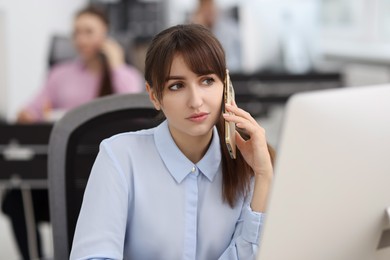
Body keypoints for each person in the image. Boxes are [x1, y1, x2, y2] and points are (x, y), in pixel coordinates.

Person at [70, 24, 275, 260]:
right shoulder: (119, 156)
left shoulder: (248, 163)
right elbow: (94, 255)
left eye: (207, 81)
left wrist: (264, 174)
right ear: (155, 96)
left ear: (226, 87)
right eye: (177, 86)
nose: (196, 101)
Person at [1, 5, 142, 260]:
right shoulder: (60, 74)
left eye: (89, 31)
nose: (81, 39)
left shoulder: (125, 74)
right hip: (63, 175)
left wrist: (116, 63)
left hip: (109, 181)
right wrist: (27, 114)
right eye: (76, 32)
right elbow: (31, 110)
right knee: (13, 200)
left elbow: (130, 109)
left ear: (106, 35)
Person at [191, 0, 242, 72]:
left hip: (231, 73)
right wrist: (198, 29)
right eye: (205, 8)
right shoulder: (195, 32)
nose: (208, 12)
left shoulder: (230, 29)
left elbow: (235, 62)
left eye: (210, 7)